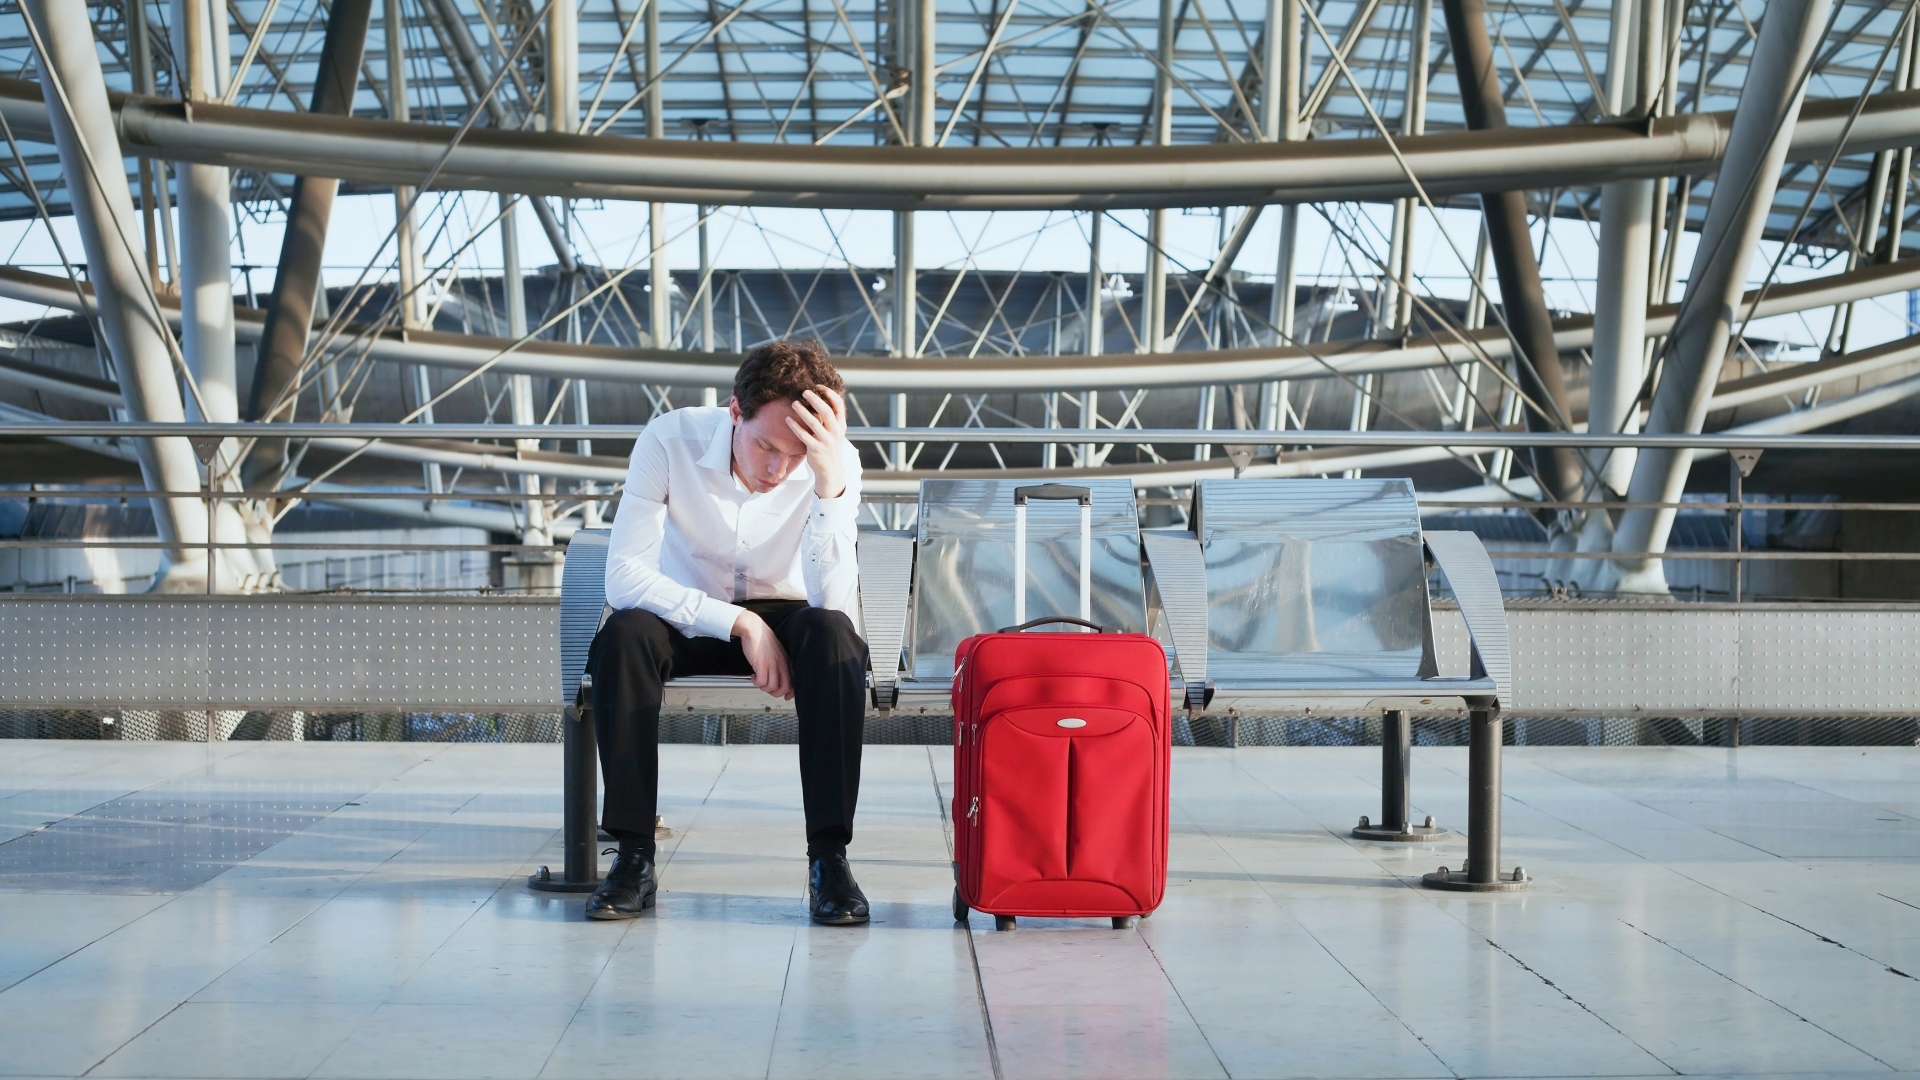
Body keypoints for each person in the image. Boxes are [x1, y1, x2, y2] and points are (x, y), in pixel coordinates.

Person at [585, 339, 869, 924]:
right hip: (687, 612)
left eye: (794, 456)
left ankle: (830, 861)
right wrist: (739, 623)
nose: (776, 469)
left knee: (834, 639)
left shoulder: (831, 462)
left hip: (790, 616)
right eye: (766, 445)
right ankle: (633, 856)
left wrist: (827, 484)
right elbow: (624, 577)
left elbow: (833, 601)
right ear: (734, 411)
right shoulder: (670, 439)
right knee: (624, 638)